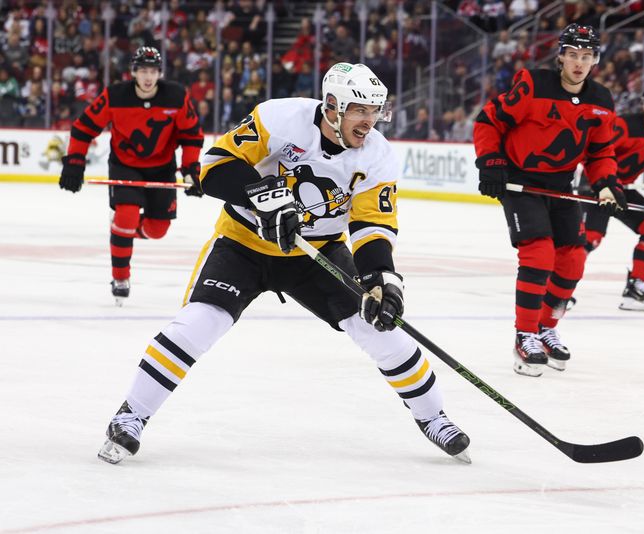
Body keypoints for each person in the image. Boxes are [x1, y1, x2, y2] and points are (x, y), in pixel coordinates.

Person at [96, 62, 471, 465]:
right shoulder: (279, 117)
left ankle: (433, 417)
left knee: (380, 330)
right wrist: (265, 196)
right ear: (332, 106)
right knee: (200, 323)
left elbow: (371, 224)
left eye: (375, 110)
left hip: (318, 251)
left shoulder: (377, 155)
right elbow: (214, 168)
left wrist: (382, 278)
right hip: (244, 242)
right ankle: (131, 414)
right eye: (360, 110)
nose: (370, 121)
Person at [472, 24, 625, 377]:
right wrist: (491, 162)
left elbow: (601, 151)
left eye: (586, 57)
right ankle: (524, 334)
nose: (578, 63)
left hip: (561, 185)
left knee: (572, 260)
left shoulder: (601, 101)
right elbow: (488, 121)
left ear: (594, 61)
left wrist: (606, 183)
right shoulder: (533, 84)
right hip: (521, 183)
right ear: (561, 56)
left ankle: (546, 327)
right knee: (539, 254)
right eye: (573, 55)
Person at [58, 46, 204, 305]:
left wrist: (191, 170)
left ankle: (121, 231)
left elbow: (191, 136)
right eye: (143, 71)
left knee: (157, 230)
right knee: (126, 214)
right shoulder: (115, 96)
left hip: (162, 167)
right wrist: (74, 163)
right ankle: (120, 278)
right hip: (125, 165)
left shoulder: (176, 96)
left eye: (153, 71)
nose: (148, 77)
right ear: (133, 72)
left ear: (159, 73)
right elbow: (83, 128)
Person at [582, 78, 644, 311]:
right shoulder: (623, 125)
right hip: (598, 186)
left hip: (624, 190)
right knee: (590, 237)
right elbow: (597, 154)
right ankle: (557, 287)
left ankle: (637, 287)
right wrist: (607, 184)